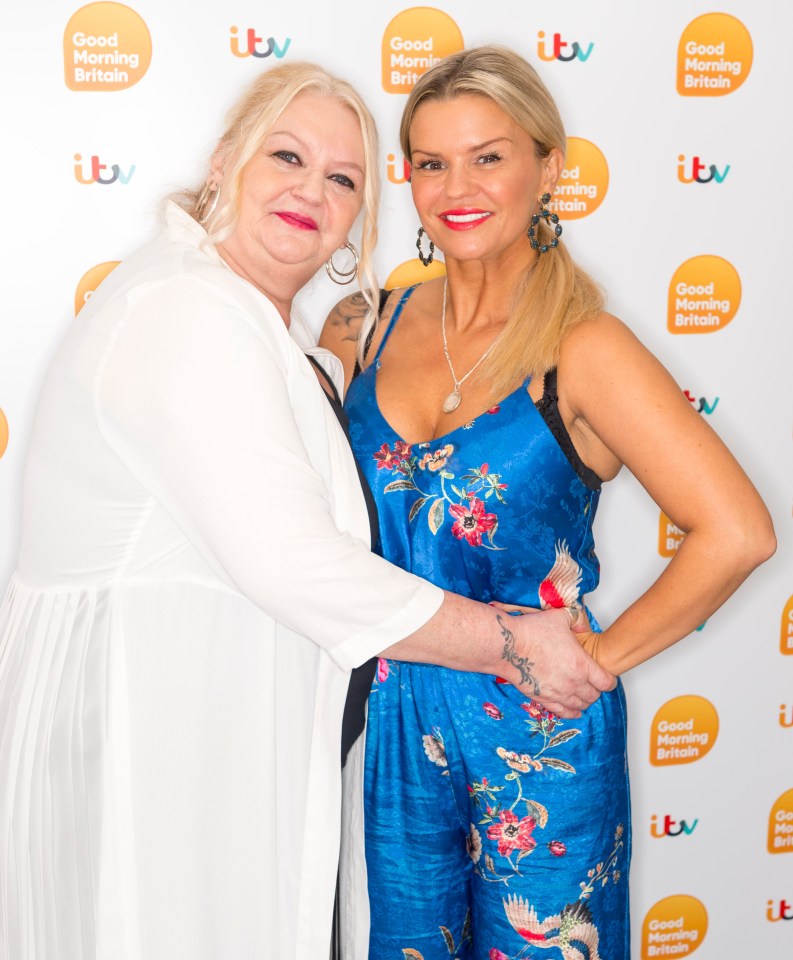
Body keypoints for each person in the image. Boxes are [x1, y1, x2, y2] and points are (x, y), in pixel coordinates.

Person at [0, 61, 617, 960]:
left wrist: (330, 370)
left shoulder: (241, 319)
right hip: (154, 745)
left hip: (195, 741)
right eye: (285, 156)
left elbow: (264, 441)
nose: (309, 190)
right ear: (224, 163)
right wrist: (514, 642)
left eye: (342, 178)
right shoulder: (190, 312)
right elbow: (289, 556)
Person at [322, 45, 775, 960]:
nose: (459, 186)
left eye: (488, 156)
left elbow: (737, 531)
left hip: (539, 738)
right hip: (387, 723)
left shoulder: (586, 347)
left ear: (548, 167)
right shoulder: (366, 324)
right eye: (432, 162)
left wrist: (600, 659)